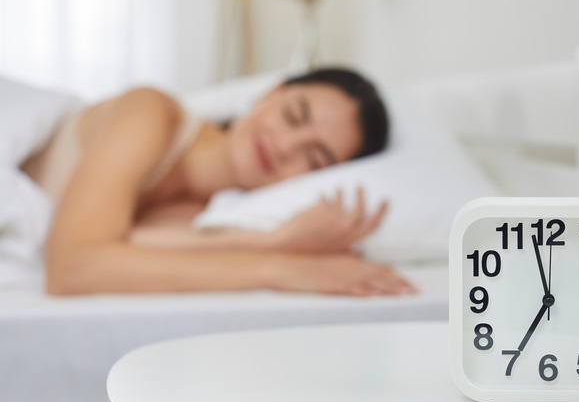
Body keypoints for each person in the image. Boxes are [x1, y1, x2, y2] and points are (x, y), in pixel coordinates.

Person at [21, 68, 416, 297]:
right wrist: (280, 266)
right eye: (293, 116)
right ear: (269, 94)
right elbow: (72, 266)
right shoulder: (150, 112)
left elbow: (123, 249)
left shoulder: (209, 212)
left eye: (314, 159)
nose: (284, 147)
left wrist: (275, 240)